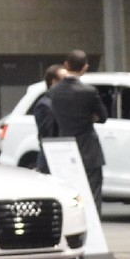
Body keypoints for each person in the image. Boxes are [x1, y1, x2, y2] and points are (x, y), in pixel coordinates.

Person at [44, 50, 107, 205]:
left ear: (66, 65)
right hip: (88, 150)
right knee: (92, 195)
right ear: (85, 67)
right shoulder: (89, 91)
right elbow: (103, 117)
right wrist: (90, 117)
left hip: (65, 149)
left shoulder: (54, 91)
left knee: (71, 196)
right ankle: (91, 221)